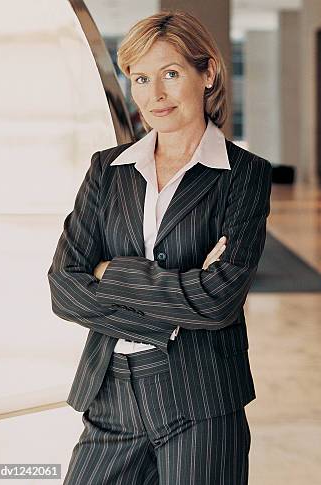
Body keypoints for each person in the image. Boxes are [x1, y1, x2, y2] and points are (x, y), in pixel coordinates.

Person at [47, 10, 272, 484]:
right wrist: (175, 306)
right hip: (110, 396)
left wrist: (111, 272)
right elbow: (64, 289)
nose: (156, 96)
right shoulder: (107, 170)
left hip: (202, 399)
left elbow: (218, 302)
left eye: (171, 74)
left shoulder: (245, 175)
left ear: (207, 72)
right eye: (141, 78)